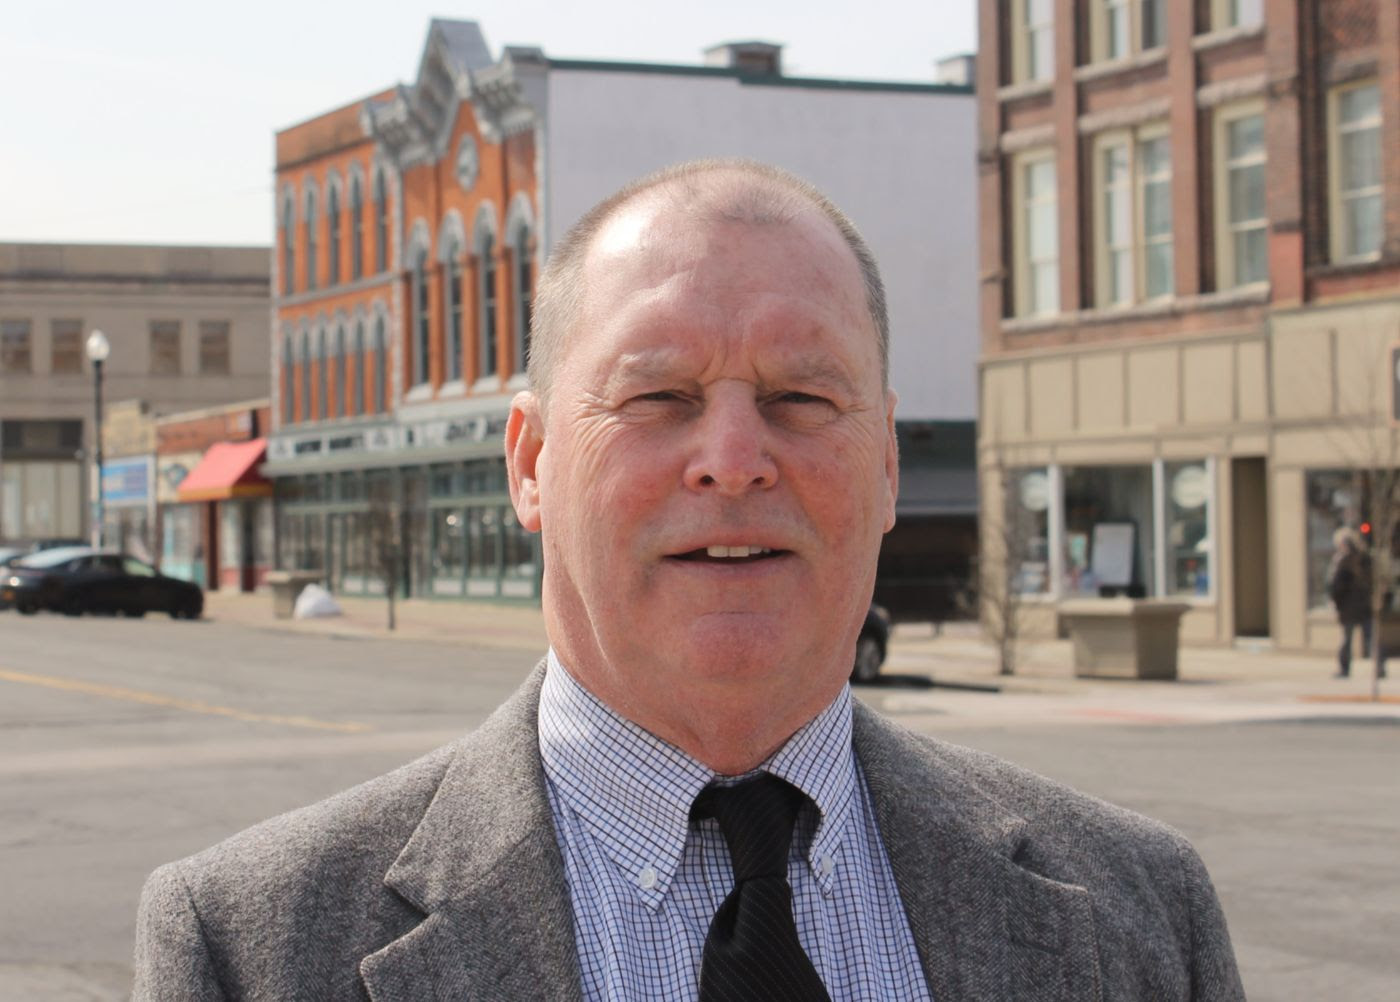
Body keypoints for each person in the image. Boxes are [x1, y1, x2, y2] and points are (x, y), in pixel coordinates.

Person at [133, 160, 1245, 1001]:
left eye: (802, 398)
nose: (733, 458)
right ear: (530, 464)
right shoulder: (253, 949)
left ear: (888, 465)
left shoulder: (1142, 912)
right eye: (657, 397)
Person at [1326, 526, 1374, 678]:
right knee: (1370, 636)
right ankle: (1379, 666)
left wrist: (1337, 602)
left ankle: (1345, 668)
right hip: (1363, 604)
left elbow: (1337, 586)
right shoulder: (1364, 558)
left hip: (1349, 606)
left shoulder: (1344, 561)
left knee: (1349, 639)